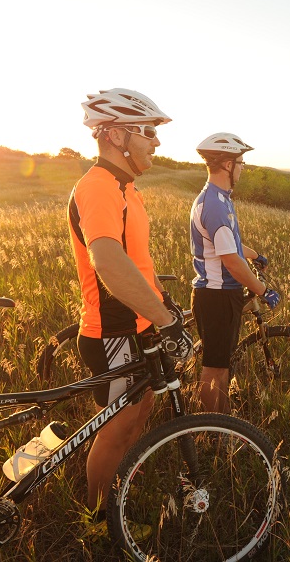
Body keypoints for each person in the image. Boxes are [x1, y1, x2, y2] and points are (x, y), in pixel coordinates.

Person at [69, 88, 192, 516]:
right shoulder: (99, 186)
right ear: (117, 136)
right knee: (117, 430)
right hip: (112, 330)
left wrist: (163, 301)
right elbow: (107, 261)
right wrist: (165, 319)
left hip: (138, 326)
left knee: (140, 414)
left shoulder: (125, 188)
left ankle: (116, 496)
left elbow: (136, 260)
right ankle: (97, 520)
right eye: (147, 132)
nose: (155, 142)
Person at [189, 133, 280, 413]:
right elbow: (231, 260)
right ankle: (210, 429)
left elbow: (231, 244)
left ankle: (222, 420)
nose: (243, 168)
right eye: (241, 162)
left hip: (219, 294)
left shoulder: (219, 198)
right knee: (214, 368)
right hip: (217, 296)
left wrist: (255, 255)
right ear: (228, 164)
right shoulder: (215, 205)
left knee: (221, 363)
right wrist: (264, 291)